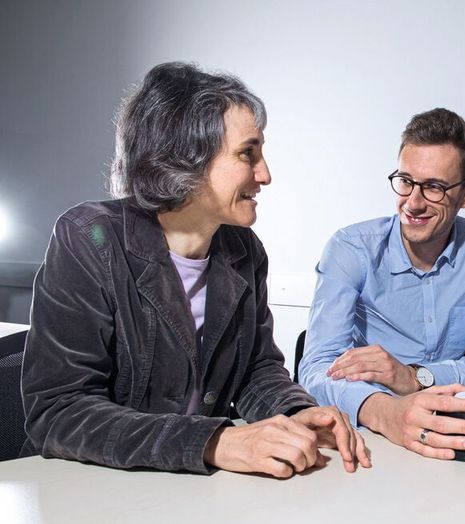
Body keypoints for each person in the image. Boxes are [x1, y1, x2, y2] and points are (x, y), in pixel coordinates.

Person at [21, 62, 370, 477]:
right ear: (185, 159)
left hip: (193, 493)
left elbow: (255, 369)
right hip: (88, 487)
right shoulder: (89, 239)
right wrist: (213, 442)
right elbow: (60, 412)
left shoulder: (244, 250)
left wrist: (295, 411)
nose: (265, 174)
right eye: (247, 153)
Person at [300, 108, 465, 459]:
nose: (412, 203)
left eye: (433, 187)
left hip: (454, 427)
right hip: (371, 433)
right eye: (405, 181)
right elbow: (315, 368)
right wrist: (383, 411)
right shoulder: (351, 248)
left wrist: (416, 377)